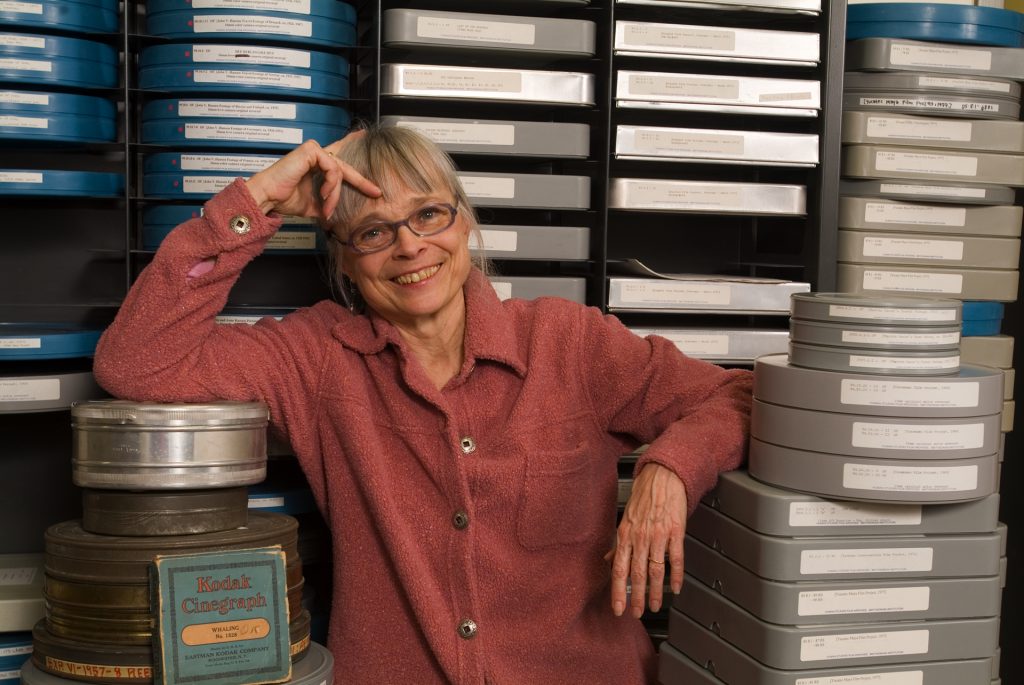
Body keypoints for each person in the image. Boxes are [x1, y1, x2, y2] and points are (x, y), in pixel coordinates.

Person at [93, 125, 752, 684]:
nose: (410, 245)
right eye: (374, 232)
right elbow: (136, 363)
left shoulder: (568, 341)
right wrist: (254, 204)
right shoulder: (318, 358)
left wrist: (668, 469)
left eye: (429, 214)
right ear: (345, 263)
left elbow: (739, 393)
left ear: (463, 220)